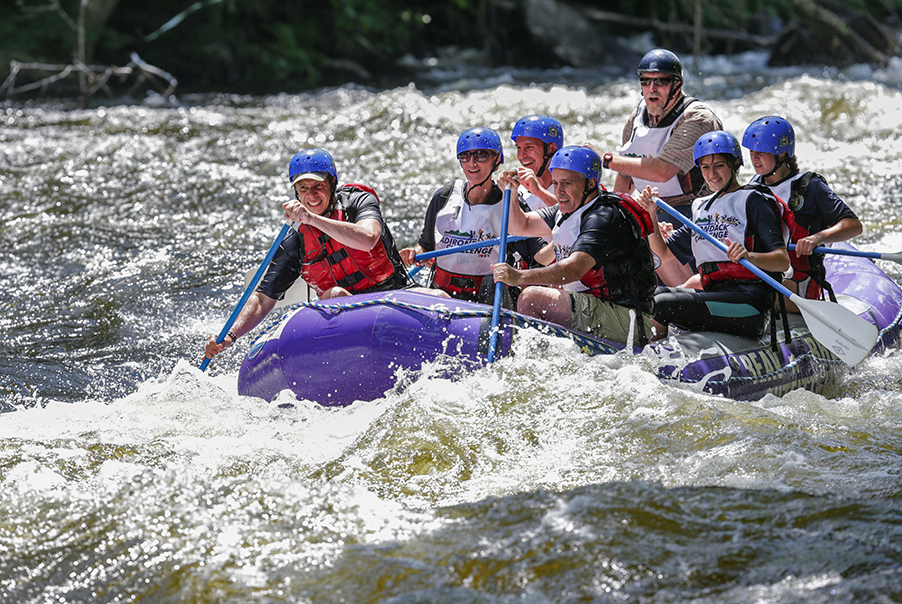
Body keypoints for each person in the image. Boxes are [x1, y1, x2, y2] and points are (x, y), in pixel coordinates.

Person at [204, 148, 408, 360]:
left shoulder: (357, 202)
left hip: (396, 300)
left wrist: (311, 218)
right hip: (347, 319)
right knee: (335, 294)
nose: (311, 195)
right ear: (297, 193)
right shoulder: (296, 240)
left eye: (318, 186)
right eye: (303, 188)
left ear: (332, 184)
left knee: (438, 297)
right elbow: (263, 298)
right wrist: (229, 335)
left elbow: (368, 238)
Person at [491, 146, 658, 346]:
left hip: (628, 320)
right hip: (598, 308)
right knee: (541, 289)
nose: (559, 191)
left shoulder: (604, 217)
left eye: (567, 183)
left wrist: (519, 276)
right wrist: (508, 192)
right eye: (555, 183)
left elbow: (574, 269)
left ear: (591, 183)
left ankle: (541, 357)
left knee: (531, 298)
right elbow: (521, 226)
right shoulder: (568, 210)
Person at [635, 131, 791, 340]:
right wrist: (651, 213)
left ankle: (651, 360)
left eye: (719, 165)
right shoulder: (701, 207)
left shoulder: (754, 200)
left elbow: (782, 261)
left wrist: (748, 257)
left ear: (735, 163)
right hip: (714, 295)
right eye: (705, 167)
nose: (712, 174)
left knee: (662, 304)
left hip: (749, 305)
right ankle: (643, 348)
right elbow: (662, 253)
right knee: (649, 296)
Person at [400, 127, 543, 304]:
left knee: (491, 283)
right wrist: (415, 252)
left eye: (481, 155)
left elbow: (537, 257)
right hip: (443, 292)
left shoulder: (511, 202)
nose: (472, 163)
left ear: (496, 159)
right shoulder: (444, 197)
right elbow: (425, 245)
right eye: (465, 156)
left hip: (489, 297)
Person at [742, 115, 862, 310]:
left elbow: (853, 225)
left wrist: (817, 238)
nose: (754, 158)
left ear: (782, 154)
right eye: (752, 151)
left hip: (800, 284)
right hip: (762, 275)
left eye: (761, 152)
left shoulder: (809, 187)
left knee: (751, 295)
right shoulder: (752, 188)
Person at [604, 49, 722, 219]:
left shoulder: (697, 118)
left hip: (696, 208)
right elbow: (625, 174)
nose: (652, 89)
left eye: (661, 81)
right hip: (652, 207)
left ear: (677, 85)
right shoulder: (636, 118)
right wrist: (614, 214)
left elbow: (663, 171)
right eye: (646, 81)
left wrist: (606, 159)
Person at [502, 114, 563, 211]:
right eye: (519, 148)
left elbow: (575, 218)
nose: (521, 156)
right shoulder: (518, 190)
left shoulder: (573, 184)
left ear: (551, 148)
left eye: (529, 147)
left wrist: (539, 192)